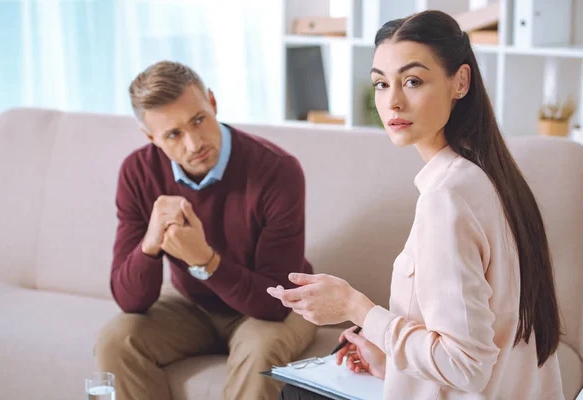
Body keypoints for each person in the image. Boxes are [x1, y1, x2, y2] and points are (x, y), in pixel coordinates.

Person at [269, 10, 564, 400]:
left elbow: (466, 367)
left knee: (294, 393)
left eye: (412, 81)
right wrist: (392, 358)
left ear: (460, 81)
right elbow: (486, 344)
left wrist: (355, 307)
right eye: (380, 83)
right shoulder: (492, 177)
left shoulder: (448, 199)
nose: (392, 101)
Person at [94, 60, 317, 400]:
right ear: (151, 137)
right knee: (115, 339)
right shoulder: (138, 172)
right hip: (194, 305)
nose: (194, 143)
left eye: (198, 119)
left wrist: (205, 260)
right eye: (173, 134)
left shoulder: (277, 170)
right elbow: (129, 300)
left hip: (277, 306)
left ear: (212, 102)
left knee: (260, 353)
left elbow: (274, 303)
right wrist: (150, 245)